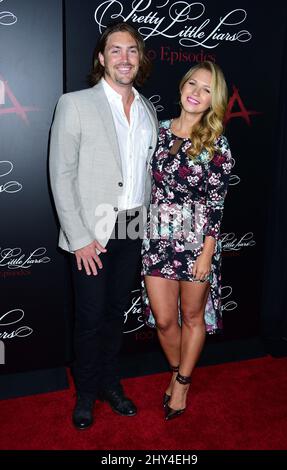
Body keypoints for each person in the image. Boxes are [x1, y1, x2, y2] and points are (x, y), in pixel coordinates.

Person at [49, 22, 158, 430]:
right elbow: (61, 174)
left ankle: (111, 383)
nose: (124, 58)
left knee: (114, 313)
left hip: (132, 224)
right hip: (91, 228)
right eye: (116, 50)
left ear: (140, 59)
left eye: (132, 51)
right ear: (101, 58)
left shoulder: (147, 109)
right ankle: (86, 393)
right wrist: (79, 239)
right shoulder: (75, 104)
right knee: (90, 317)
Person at [142, 61, 232, 420]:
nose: (196, 93)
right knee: (165, 320)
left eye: (206, 89)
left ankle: (182, 382)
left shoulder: (217, 143)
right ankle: (180, 369)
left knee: (193, 317)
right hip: (156, 237)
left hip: (198, 243)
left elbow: (216, 205)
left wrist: (207, 253)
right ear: (181, 88)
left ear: (214, 100)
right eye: (192, 84)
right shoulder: (157, 132)